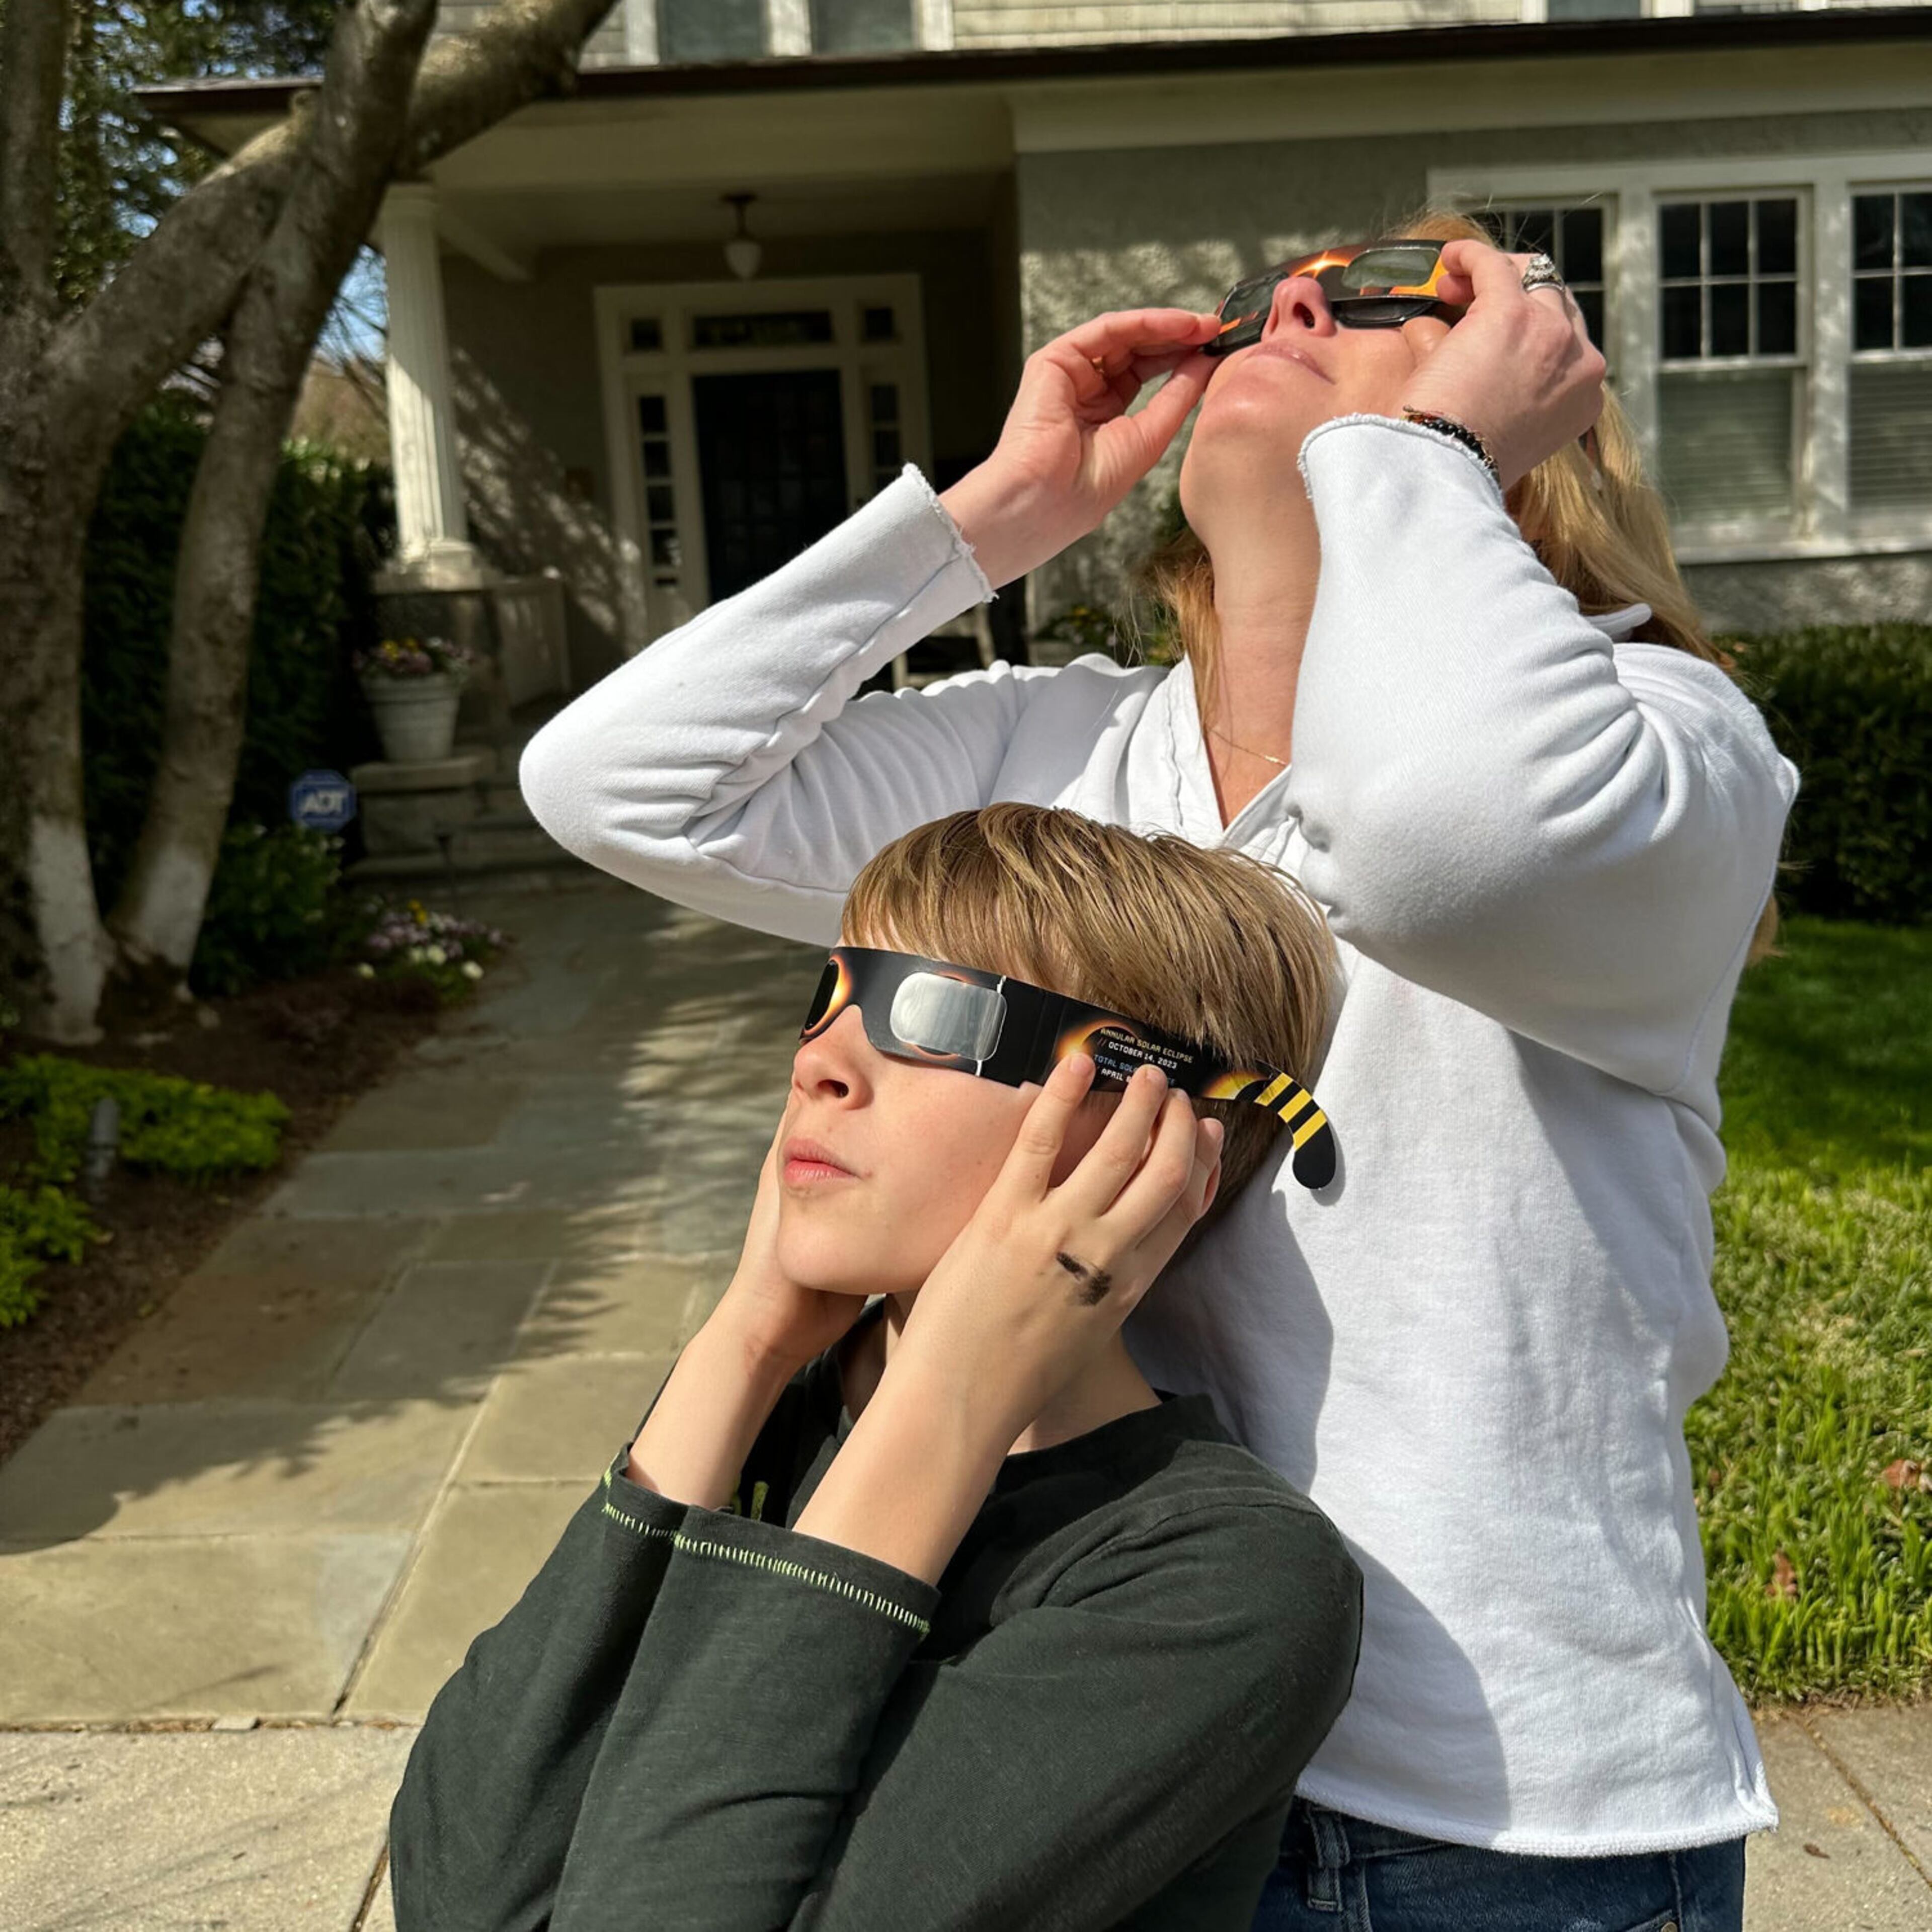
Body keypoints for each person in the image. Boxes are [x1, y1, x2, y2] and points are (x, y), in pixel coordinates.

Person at [518, 210, 1798, 1929]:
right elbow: (616, 786)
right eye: (1276, 293)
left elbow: (1440, 836)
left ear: (1530, 409)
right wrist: (989, 519)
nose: (1295, 304)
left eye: (1389, 295)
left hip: (1483, 1815)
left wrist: (1428, 461)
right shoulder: (1061, 746)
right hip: (1091, 1730)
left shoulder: (1662, 740)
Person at [388, 803, 1364, 1932]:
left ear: (1148, 1133)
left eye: (938, 1015)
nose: (820, 1061)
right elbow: (461, 1890)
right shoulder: (775, 1423)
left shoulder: (1219, 1588)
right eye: (835, 993)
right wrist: (744, 1341)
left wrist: (947, 1395)